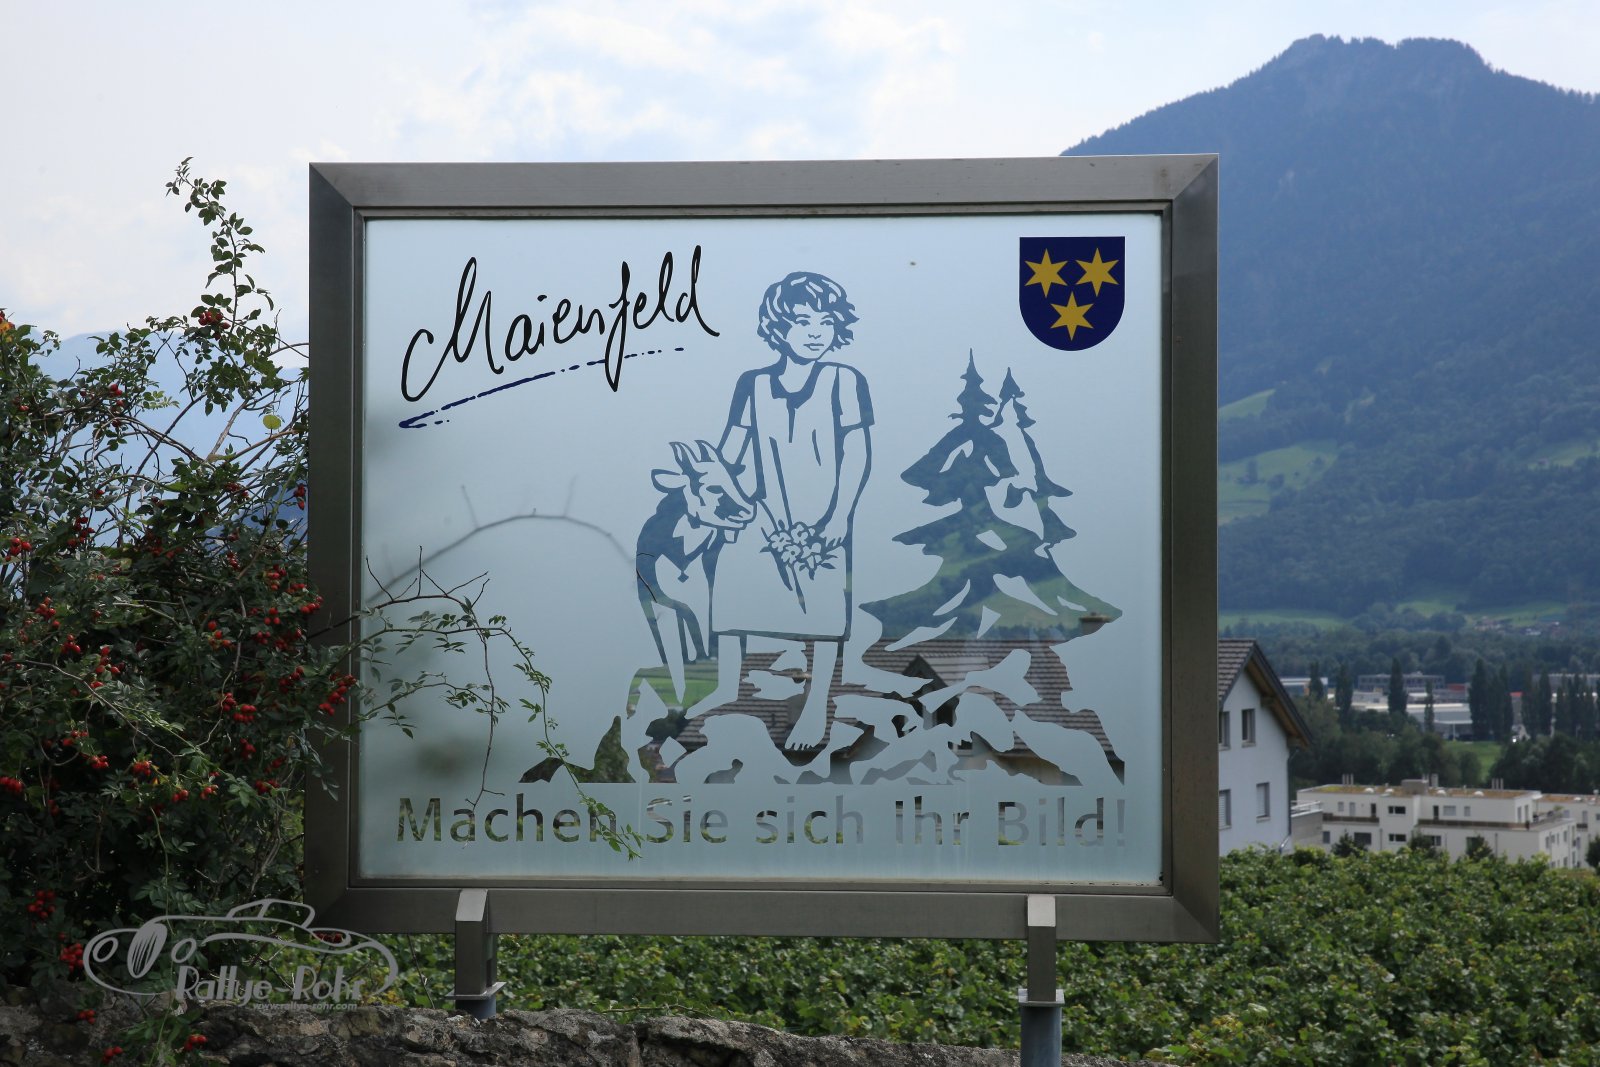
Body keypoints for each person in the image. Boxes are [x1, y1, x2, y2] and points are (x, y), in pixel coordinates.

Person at [689, 271, 873, 750]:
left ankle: (817, 705)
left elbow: (856, 453)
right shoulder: (753, 384)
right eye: (803, 321)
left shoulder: (843, 381)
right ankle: (727, 688)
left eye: (826, 322)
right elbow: (731, 451)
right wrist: (707, 480)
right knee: (730, 575)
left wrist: (840, 515)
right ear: (778, 327)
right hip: (763, 511)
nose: (815, 332)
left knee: (823, 606)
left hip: (821, 516)